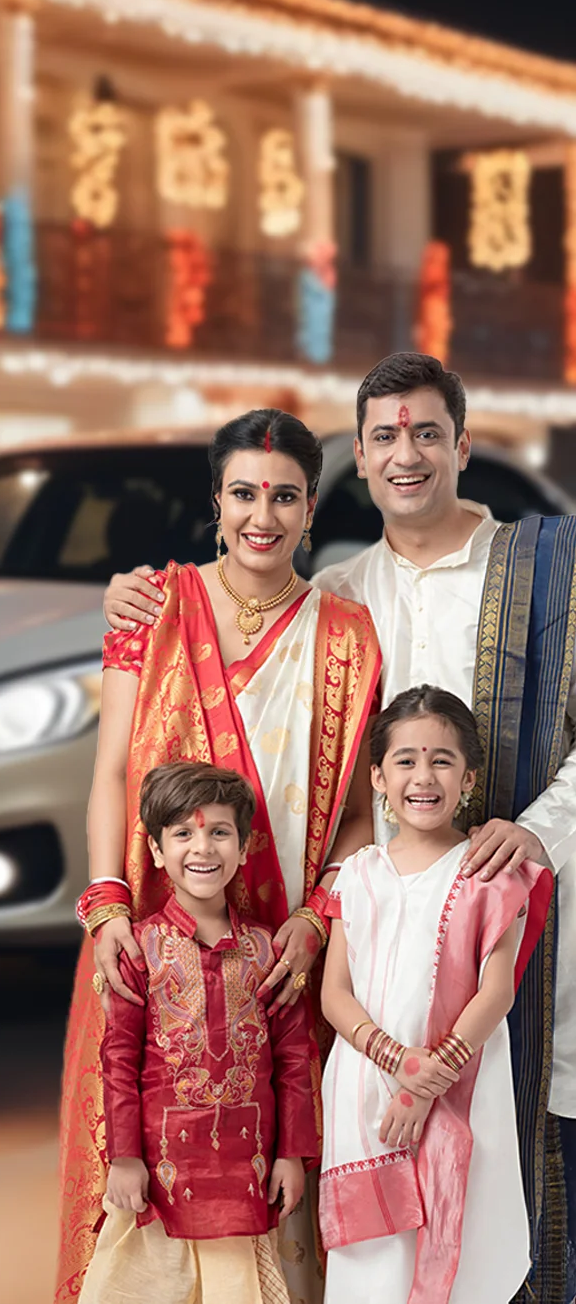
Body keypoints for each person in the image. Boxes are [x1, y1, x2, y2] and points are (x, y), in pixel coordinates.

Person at [104, 352, 576, 1304]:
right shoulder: (338, 598)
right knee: (375, 1184)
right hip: (376, 931)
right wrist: (128, 600)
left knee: (519, 1144)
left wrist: (537, 833)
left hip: (525, 908)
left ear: (463, 446)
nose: (407, 454)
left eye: (427, 432)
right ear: (357, 458)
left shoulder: (549, 571)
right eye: (384, 437)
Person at [57, 407, 381, 1301]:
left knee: (271, 1182)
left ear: (310, 508)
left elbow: (359, 813)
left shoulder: (345, 634)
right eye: (243, 493)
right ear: (215, 501)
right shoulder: (152, 608)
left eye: (284, 497)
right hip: (148, 930)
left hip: (277, 954)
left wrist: (314, 920)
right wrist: (107, 906)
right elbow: (111, 774)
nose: (261, 516)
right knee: (139, 1180)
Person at [320, 685, 550, 1304]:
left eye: (442, 761)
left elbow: (495, 993)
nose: (423, 777)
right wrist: (398, 1063)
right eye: (405, 761)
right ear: (378, 777)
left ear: (468, 779)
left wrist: (425, 1084)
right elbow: (335, 995)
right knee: (373, 1267)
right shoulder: (357, 874)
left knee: (458, 1245)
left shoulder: (489, 873)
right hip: (365, 1092)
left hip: (459, 1089)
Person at [79, 761, 318, 1304]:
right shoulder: (138, 949)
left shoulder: (269, 952)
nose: (203, 848)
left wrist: (291, 1154)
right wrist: (124, 1158)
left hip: (246, 1170)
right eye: (183, 833)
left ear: (244, 847)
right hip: (156, 1172)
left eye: (219, 833)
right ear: (157, 850)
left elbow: (292, 1062)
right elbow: (117, 1060)